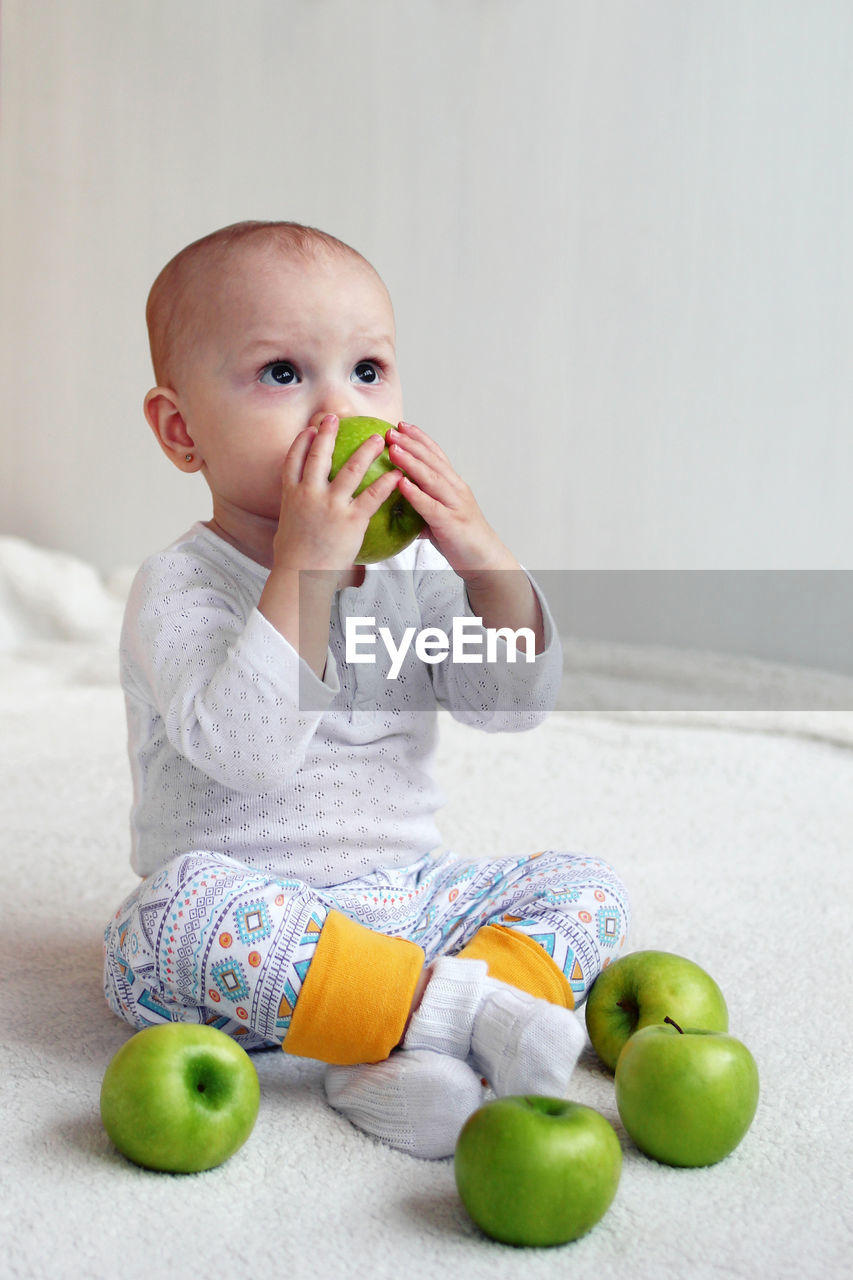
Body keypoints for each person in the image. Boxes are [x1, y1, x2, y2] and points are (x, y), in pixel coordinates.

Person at [103, 220, 630, 1159]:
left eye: (368, 372)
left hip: (410, 909)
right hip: (254, 931)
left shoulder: (412, 572)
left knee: (582, 890)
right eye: (281, 373)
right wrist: (303, 565)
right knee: (161, 920)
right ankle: (460, 1016)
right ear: (181, 431)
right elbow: (249, 751)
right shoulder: (178, 586)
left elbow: (506, 703)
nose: (335, 410)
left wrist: (484, 562)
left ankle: (387, 1045)